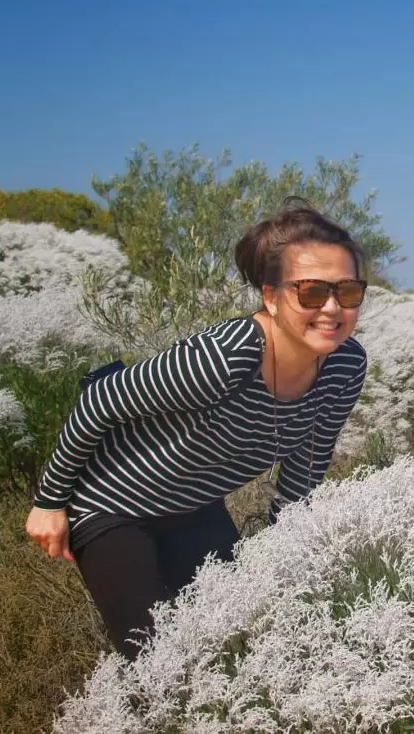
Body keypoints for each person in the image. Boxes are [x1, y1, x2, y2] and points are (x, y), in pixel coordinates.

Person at [25, 199, 369, 659]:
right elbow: (100, 401)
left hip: (195, 506)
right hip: (113, 503)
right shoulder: (227, 357)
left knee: (237, 641)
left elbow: (307, 464)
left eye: (348, 292)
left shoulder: (345, 363)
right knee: (157, 659)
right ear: (270, 295)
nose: (331, 308)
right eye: (311, 292)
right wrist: (48, 503)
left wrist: (281, 553)